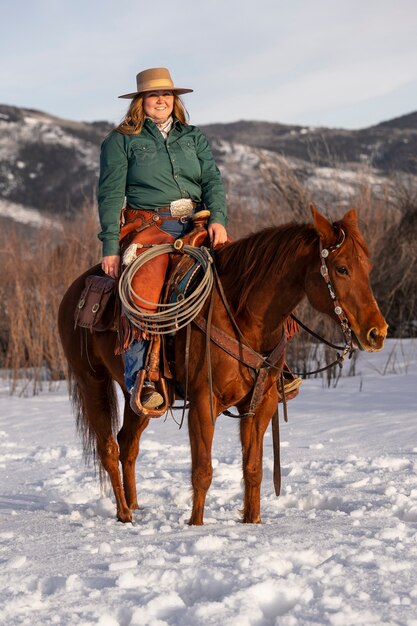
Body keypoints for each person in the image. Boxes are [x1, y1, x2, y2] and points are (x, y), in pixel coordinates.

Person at [98, 68, 228, 414]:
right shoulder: (120, 140)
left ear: (175, 99)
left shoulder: (193, 137)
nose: (161, 100)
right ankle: (143, 378)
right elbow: (110, 196)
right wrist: (111, 247)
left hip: (197, 224)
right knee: (144, 292)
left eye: (167, 95)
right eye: (153, 95)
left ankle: (265, 364)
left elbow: (213, 181)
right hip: (150, 226)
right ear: (140, 101)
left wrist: (219, 218)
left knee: (246, 273)